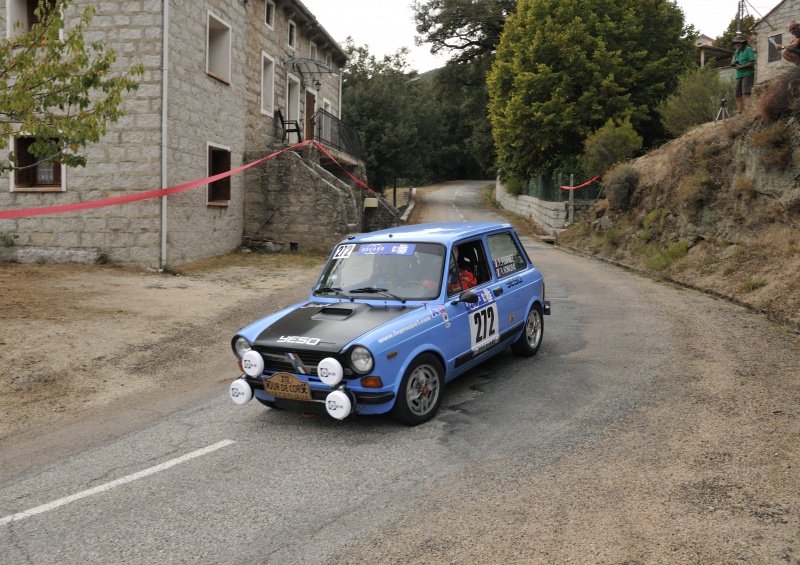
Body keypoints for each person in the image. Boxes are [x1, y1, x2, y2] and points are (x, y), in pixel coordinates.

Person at [731, 36, 756, 113]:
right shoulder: (736, 53)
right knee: (737, 95)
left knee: (746, 93)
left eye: (738, 43)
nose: (737, 45)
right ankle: (740, 113)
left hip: (747, 74)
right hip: (738, 75)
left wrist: (742, 66)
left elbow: (753, 62)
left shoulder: (748, 50)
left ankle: (748, 112)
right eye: (735, 43)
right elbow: (733, 62)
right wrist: (734, 64)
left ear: (742, 43)